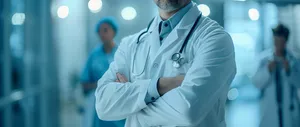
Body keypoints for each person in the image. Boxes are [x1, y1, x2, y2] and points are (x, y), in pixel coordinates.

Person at [95, 0, 236, 126]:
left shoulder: (215, 40)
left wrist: (131, 107)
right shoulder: (131, 44)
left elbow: (188, 111)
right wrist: (160, 85)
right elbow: (103, 105)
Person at [252, 24, 300, 127]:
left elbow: (299, 83)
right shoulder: (264, 60)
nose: (277, 43)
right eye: (276, 39)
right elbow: (256, 83)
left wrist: (289, 71)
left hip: (289, 110)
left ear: (285, 41)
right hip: (270, 110)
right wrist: (268, 70)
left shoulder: (294, 60)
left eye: (280, 40)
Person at [80, 17, 125, 127]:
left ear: (114, 31)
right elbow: (84, 84)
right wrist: (102, 84)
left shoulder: (123, 53)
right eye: (99, 31)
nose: (102, 34)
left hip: (120, 102)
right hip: (99, 104)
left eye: (105, 30)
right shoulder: (94, 56)